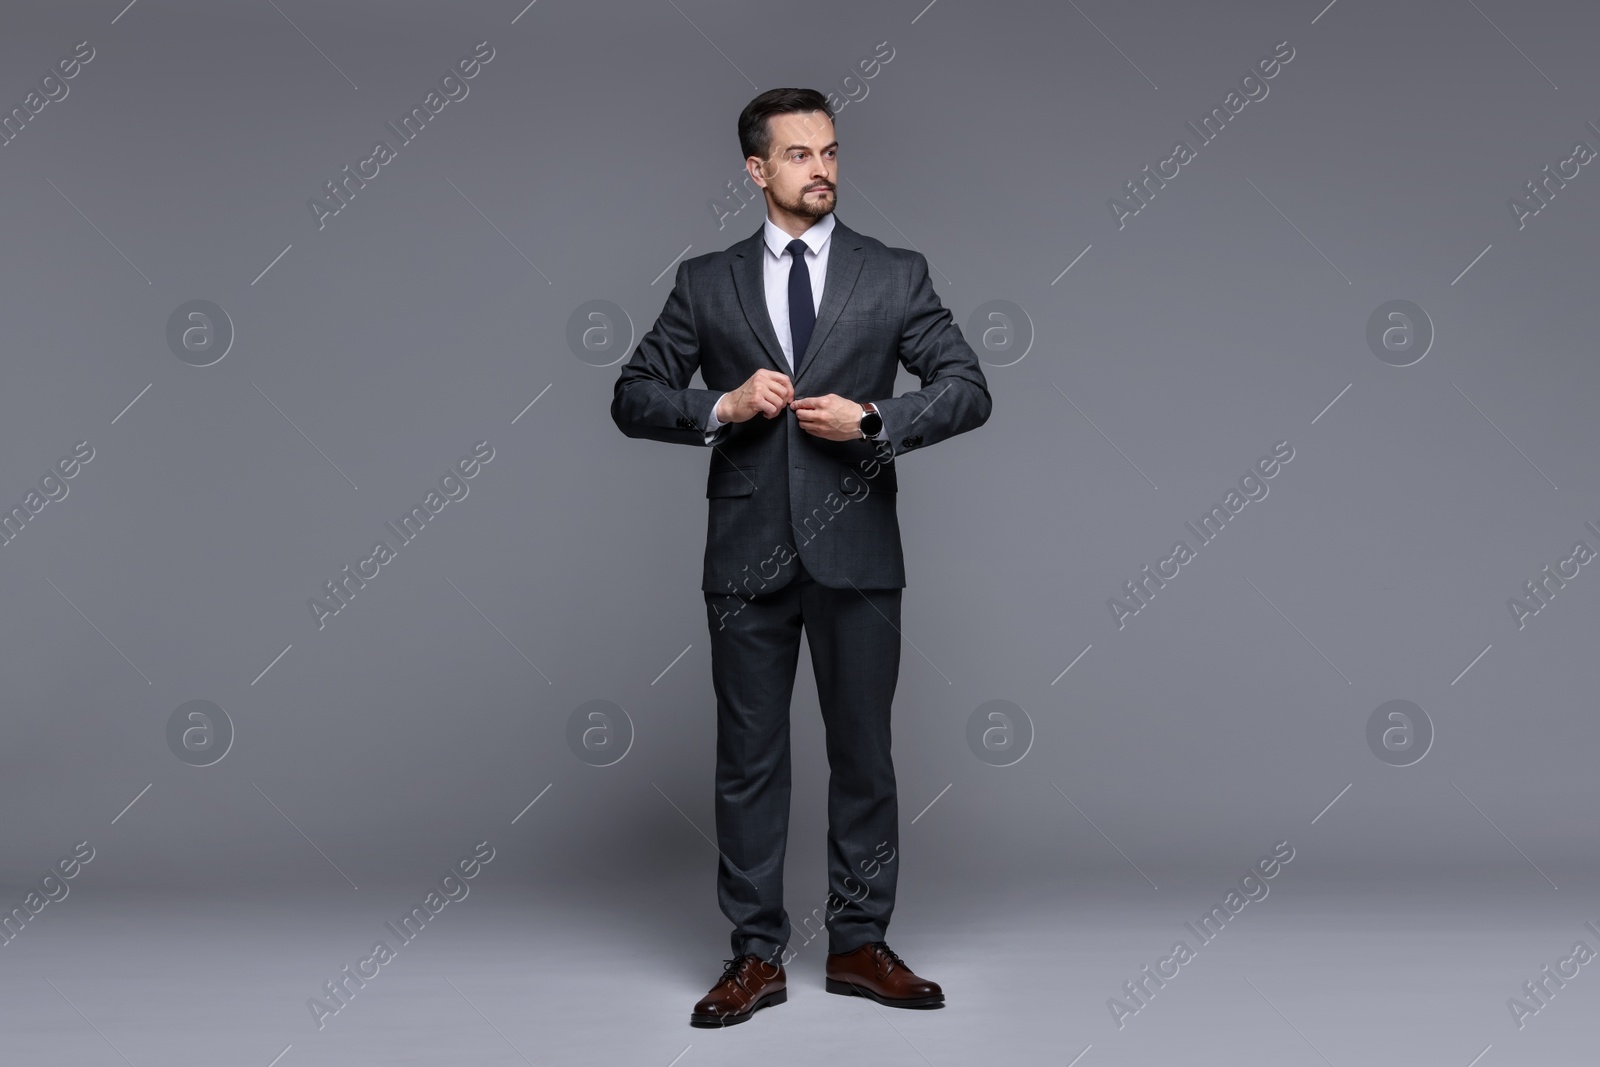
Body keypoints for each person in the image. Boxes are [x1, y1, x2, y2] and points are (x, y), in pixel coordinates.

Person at [610, 87, 992, 1028]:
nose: (821, 168)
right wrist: (721, 408)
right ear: (755, 169)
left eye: (830, 152)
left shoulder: (894, 272)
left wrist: (876, 420)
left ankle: (860, 943)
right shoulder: (706, 282)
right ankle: (755, 957)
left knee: (864, 754)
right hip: (745, 556)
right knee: (749, 759)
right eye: (798, 155)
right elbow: (631, 394)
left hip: (859, 552)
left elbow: (967, 387)